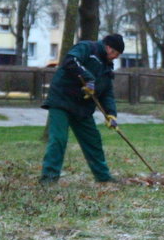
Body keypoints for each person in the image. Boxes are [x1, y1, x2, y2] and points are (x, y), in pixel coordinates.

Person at [40, 34, 124, 184]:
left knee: (93, 140)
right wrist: (88, 78)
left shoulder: (107, 67)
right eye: (115, 54)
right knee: (59, 139)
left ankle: (104, 178)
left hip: (82, 108)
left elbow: (107, 94)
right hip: (62, 100)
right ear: (108, 47)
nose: (115, 58)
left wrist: (111, 114)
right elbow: (71, 61)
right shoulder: (86, 48)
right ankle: (49, 178)